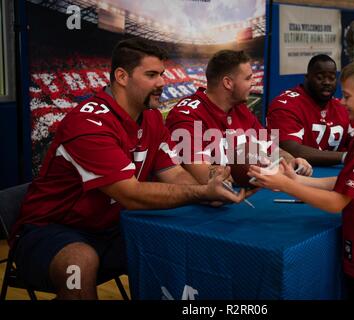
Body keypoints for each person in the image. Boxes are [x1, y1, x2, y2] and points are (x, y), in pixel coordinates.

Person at [10, 38, 248, 300]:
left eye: (162, 74)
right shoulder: (88, 123)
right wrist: (201, 192)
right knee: (79, 264)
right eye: (151, 75)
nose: (162, 83)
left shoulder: (152, 118)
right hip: (50, 230)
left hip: (112, 228)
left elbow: (175, 174)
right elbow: (131, 194)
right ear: (122, 77)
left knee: (182, 241)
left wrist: (209, 188)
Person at [248, 56, 354, 300]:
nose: (341, 102)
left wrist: (287, 185)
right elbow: (348, 180)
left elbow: (336, 202)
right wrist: (298, 180)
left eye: (348, 96)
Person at [165, 50, 312, 185]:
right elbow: (203, 174)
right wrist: (263, 171)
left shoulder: (239, 109)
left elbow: (271, 148)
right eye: (248, 78)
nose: (253, 83)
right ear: (228, 83)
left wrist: (291, 162)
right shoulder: (187, 116)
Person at [266, 54, 354, 166]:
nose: (327, 82)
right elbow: (291, 150)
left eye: (332, 78)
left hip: (333, 176)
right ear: (307, 77)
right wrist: (345, 156)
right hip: (293, 176)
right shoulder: (285, 105)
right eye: (320, 77)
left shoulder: (341, 107)